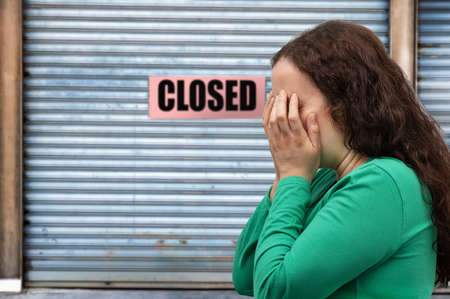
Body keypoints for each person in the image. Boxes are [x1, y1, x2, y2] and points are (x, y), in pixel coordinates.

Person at [232, 20, 450, 299]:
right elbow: (247, 275)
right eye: (276, 104)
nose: (280, 119)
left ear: (347, 106)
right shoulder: (322, 180)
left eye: (293, 105)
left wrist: (291, 175)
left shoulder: (384, 183)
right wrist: (283, 178)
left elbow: (275, 292)